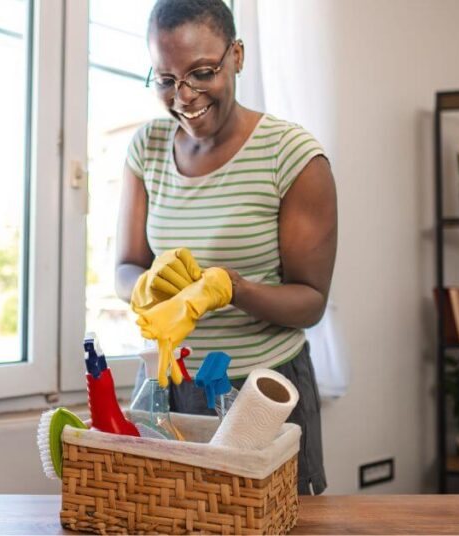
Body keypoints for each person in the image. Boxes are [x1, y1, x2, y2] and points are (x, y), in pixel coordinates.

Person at [115, 0, 337, 495]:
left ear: (236, 55)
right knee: (161, 518)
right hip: (166, 383)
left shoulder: (292, 155)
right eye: (166, 79)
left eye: (202, 72)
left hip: (262, 390)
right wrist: (147, 284)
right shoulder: (148, 147)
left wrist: (228, 287)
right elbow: (125, 268)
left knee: (270, 521)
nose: (184, 96)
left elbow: (311, 302)